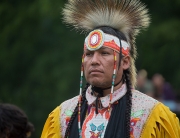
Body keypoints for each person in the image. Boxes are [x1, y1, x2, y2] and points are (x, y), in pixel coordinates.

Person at [41, 0, 180, 138]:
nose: (94, 61)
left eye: (104, 53)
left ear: (125, 62)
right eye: (89, 54)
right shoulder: (62, 117)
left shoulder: (151, 115)